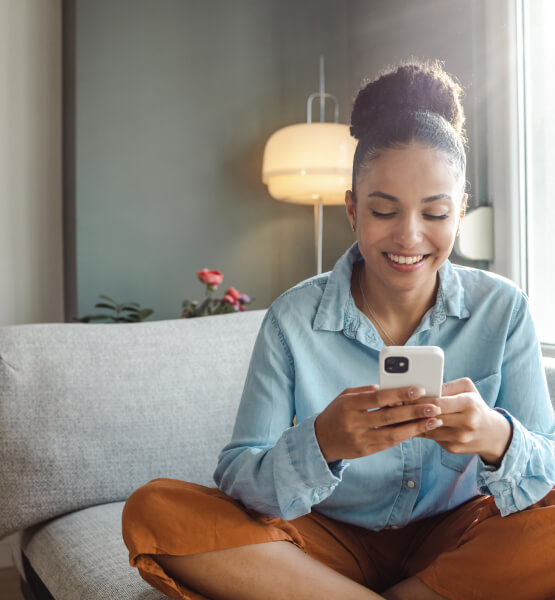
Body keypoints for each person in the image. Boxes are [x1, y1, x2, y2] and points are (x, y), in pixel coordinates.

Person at [122, 60, 555, 600]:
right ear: (352, 210)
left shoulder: (504, 308)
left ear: (460, 213)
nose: (409, 236)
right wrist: (323, 442)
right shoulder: (292, 319)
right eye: (383, 210)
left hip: (455, 541)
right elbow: (238, 474)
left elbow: (547, 470)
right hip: (326, 542)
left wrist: (496, 437)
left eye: (435, 214)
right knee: (155, 510)